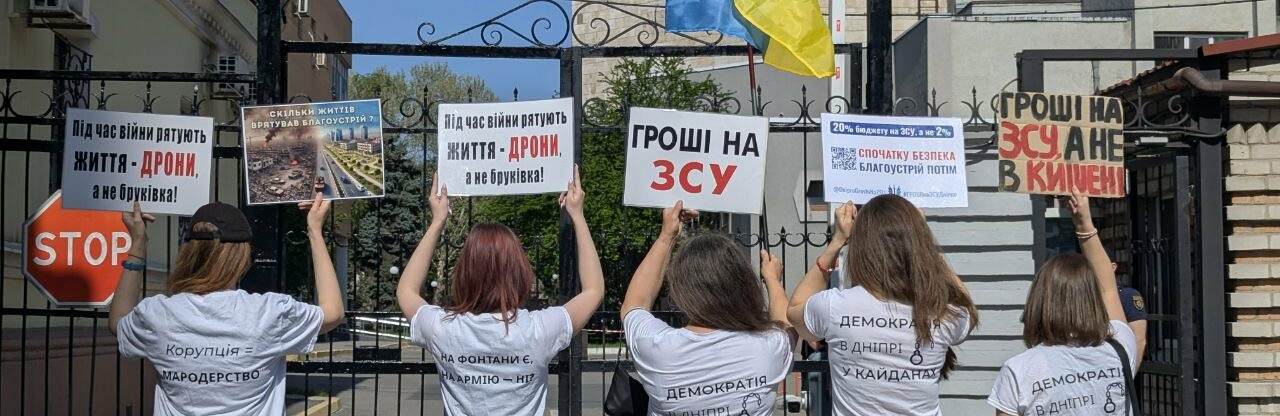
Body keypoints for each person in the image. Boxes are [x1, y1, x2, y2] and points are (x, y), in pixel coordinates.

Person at [108, 194, 345, 415]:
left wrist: (138, 243)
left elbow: (117, 322)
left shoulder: (158, 315)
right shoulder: (268, 313)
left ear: (188, 252)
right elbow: (333, 312)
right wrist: (315, 231)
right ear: (242, 255)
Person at [396, 168, 604, 415]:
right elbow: (594, 290)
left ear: (465, 272)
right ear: (518, 272)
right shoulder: (537, 329)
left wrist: (437, 222)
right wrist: (577, 216)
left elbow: (406, 290)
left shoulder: (443, 328)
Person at [787, 195, 978, 416]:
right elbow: (967, 308)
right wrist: (921, 239)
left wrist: (838, 240)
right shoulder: (943, 313)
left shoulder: (835, 307)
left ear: (861, 249)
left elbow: (795, 310)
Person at [620, 201, 796, 415]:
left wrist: (667, 236)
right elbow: (788, 323)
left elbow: (634, 305)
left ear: (680, 288)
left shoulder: (656, 348)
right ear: (743, 284)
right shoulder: (769, 346)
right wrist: (772, 279)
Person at [987, 194, 1140, 416]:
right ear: (1091, 299)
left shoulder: (1019, 370)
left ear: (1040, 300)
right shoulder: (1119, 349)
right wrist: (1084, 223)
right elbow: (1108, 288)